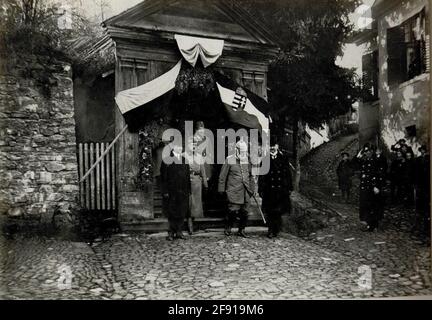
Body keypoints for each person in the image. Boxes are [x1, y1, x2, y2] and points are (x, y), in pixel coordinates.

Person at [218, 140, 255, 238]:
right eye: (241, 151)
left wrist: (252, 189)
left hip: (246, 191)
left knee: (245, 211)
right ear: (236, 150)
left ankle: (241, 230)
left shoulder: (247, 160)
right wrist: (221, 190)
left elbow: (251, 176)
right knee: (233, 211)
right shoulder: (229, 159)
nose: (243, 153)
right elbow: (222, 176)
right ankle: (228, 227)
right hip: (233, 191)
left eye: (245, 151)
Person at [260, 143, 293, 238]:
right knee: (270, 211)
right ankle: (270, 229)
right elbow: (261, 176)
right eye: (270, 146)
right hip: (269, 190)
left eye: (274, 145)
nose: (272, 148)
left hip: (280, 190)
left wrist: (289, 187)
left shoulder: (283, 159)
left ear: (277, 146)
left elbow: (288, 174)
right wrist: (261, 189)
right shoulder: (265, 160)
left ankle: (276, 229)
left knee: (278, 211)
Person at [160, 141, 191, 241]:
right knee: (172, 212)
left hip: (183, 191)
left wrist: (188, 190)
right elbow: (163, 177)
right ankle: (171, 232)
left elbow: (187, 176)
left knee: (181, 211)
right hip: (171, 192)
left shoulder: (184, 160)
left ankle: (179, 232)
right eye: (178, 146)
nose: (180, 148)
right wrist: (165, 191)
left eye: (181, 146)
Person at [355, 143, 383, 232]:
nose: (366, 153)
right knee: (366, 206)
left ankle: (373, 225)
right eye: (365, 151)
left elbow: (378, 174)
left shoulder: (376, 161)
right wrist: (358, 156)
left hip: (372, 187)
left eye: (368, 151)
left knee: (373, 206)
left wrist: (376, 186)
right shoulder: (365, 161)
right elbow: (354, 164)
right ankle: (370, 224)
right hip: (365, 187)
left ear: (372, 152)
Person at [184, 139, 208, 235]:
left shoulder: (199, 157)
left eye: (195, 145)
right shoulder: (183, 156)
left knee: (195, 205)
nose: (193, 147)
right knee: (188, 203)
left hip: (197, 182)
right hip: (186, 182)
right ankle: (189, 225)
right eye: (191, 144)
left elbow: (203, 171)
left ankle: (192, 222)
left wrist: (205, 184)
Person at [414, 145, 430, 237]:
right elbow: (416, 172)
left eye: (424, 150)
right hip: (420, 183)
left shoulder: (429, 159)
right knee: (421, 203)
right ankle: (421, 223)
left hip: (427, 183)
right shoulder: (418, 160)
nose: (423, 152)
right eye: (422, 151)